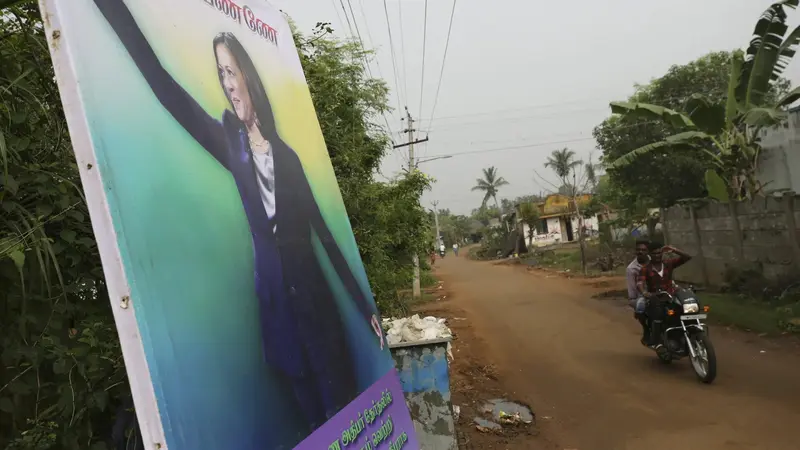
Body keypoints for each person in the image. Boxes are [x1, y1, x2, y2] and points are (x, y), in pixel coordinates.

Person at [92, 0, 383, 432]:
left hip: (321, 317)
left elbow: (323, 234)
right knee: (316, 427)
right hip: (280, 320)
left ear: (248, 75)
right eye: (221, 74)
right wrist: (113, 8)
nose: (228, 83)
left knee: (348, 422)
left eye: (232, 71)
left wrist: (364, 307)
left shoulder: (289, 157)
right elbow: (163, 84)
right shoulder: (230, 142)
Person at [637, 242, 692, 349]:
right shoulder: (645, 269)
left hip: (671, 295)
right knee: (657, 315)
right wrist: (644, 292)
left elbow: (688, 257)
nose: (657, 256)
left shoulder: (668, 263)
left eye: (659, 253)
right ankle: (656, 340)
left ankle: (686, 333)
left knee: (685, 309)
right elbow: (640, 282)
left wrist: (674, 249)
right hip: (656, 297)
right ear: (649, 255)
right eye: (654, 253)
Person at [627, 239, 650, 346]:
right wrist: (636, 301)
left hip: (660, 292)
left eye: (643, 250)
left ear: (648, 251)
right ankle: (647, 330)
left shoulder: (655, 260)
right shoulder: (631, 269)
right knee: (640, 305)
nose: (640, 252)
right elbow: (632, 291)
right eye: (638, 250)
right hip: (643, 296)